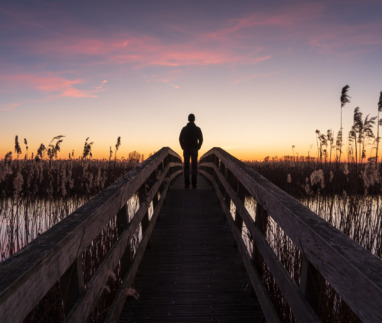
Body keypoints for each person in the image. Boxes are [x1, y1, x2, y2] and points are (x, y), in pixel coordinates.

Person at [179, 114, 203, 189]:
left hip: (186, 149)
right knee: (194, 167)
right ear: (194, 119)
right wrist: (198, 147)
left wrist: (183, 146)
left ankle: (186, 184)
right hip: (194, 149)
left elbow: (180, 138)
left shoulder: (184, 129)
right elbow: (201, 139)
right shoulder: (197, 129)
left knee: (186, 166)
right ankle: (194, 184)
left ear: (188, 119)